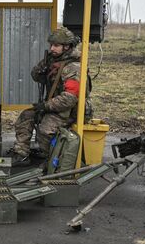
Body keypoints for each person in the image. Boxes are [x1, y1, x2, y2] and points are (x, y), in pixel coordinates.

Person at [9, 27, 91, 167]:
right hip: (56, 106)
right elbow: (36, 77)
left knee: (45, 128)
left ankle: (52, 159)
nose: (52, 48)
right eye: (51, 45)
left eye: (56, 45)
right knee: (26, 116)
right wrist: (40, 70)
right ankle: (21, 153)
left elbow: (69, 98)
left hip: (71, 110)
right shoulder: (54, 60)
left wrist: (45, 106)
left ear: (67, 47)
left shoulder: (74, 67)